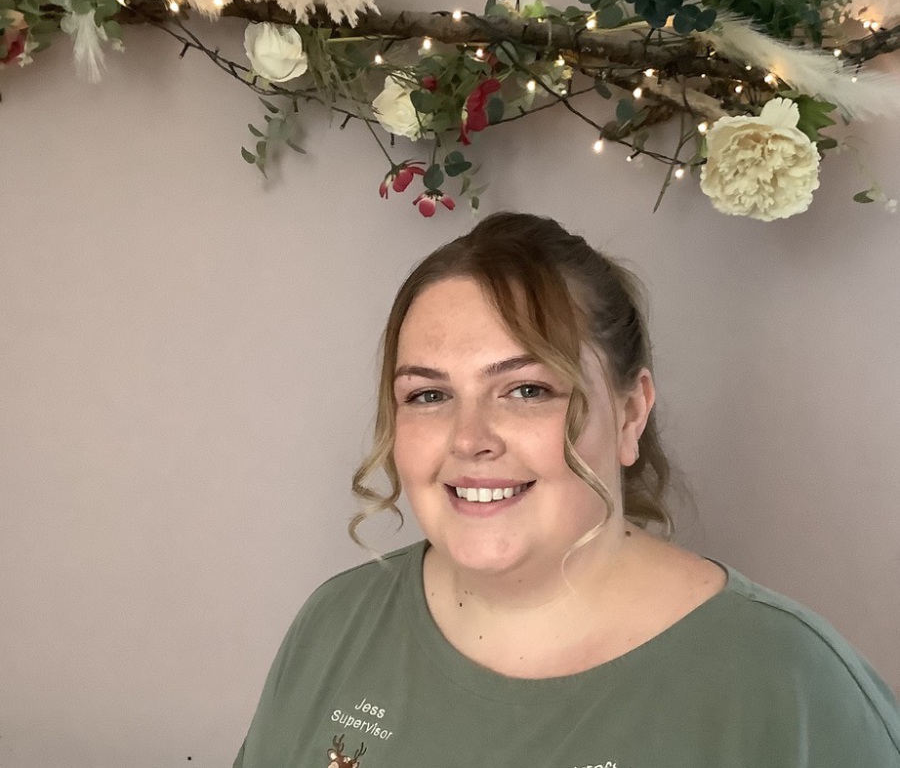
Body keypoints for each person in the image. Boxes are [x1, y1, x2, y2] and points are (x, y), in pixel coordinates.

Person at [234, 212, 900, 768]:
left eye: (527, 390)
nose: (469, 439)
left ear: (631, 414)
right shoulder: (336, 624)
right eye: (429, 395)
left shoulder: (788, 683)